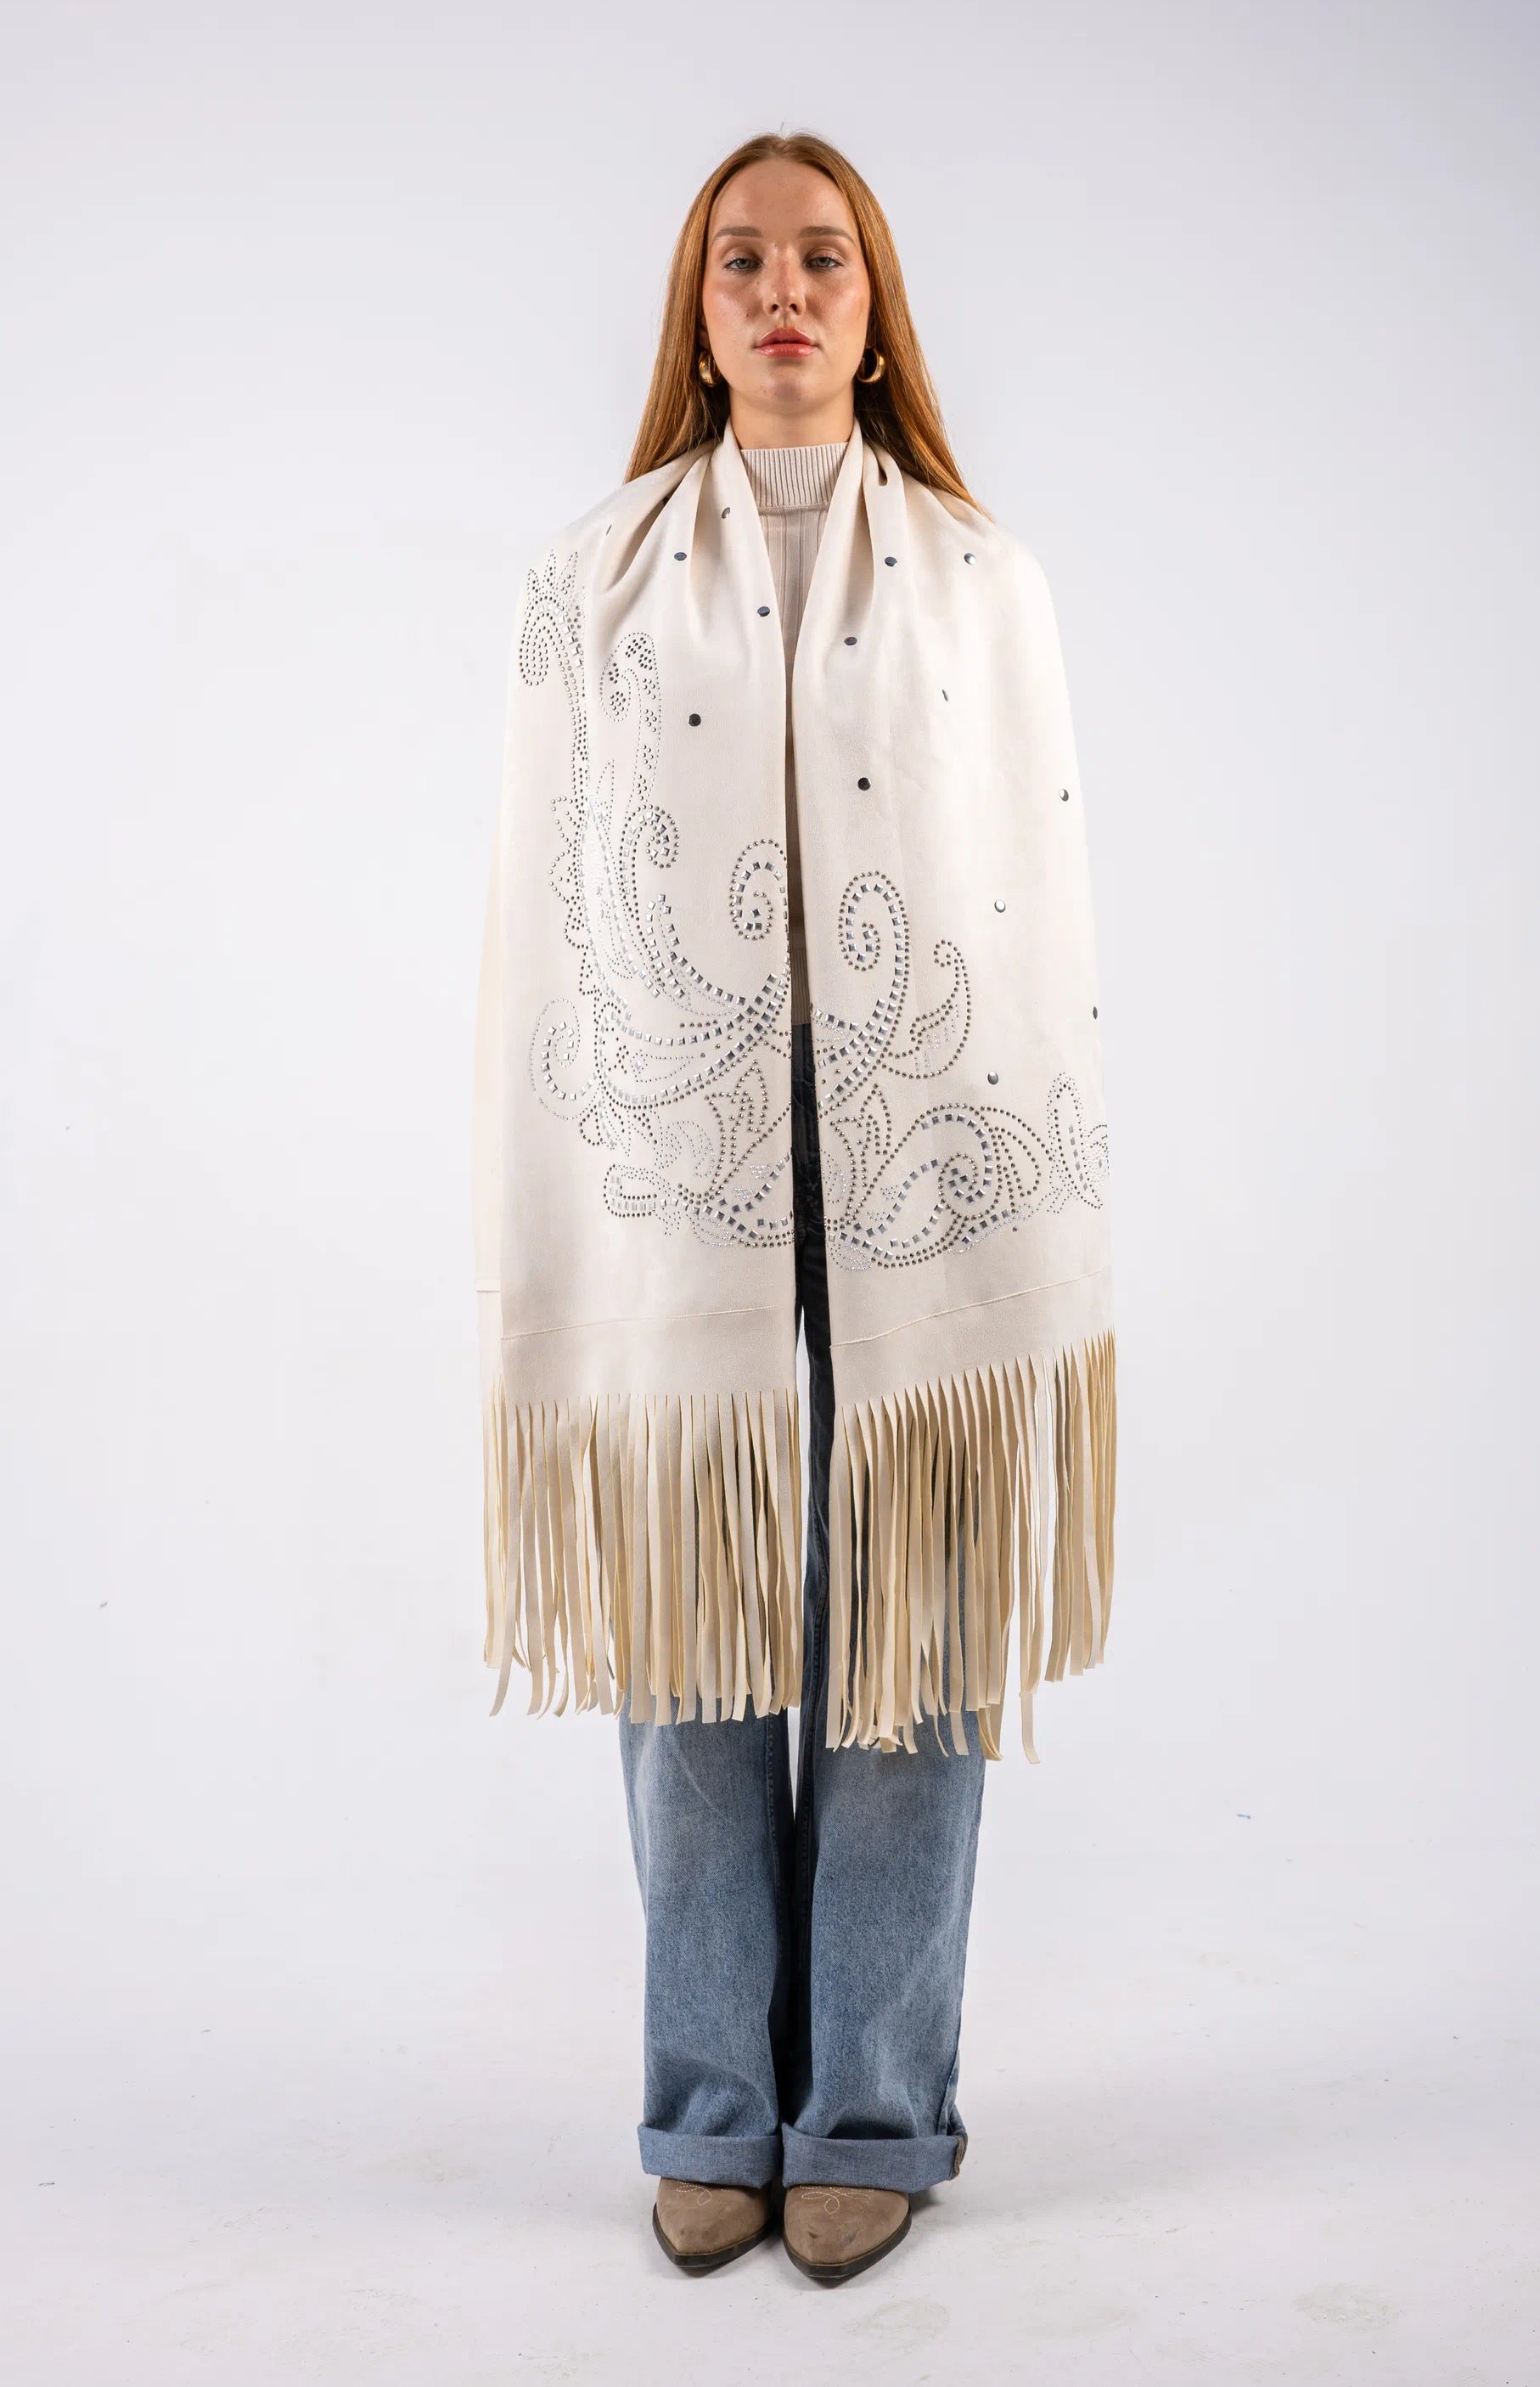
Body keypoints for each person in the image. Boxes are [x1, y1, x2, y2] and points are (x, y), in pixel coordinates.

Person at [472, 132, 1117, 2288]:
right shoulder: (586, 582)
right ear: (694, 306)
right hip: (681, 1163)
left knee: (905, 1615)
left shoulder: (979, 578)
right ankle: (709, 2111)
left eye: (821, 258)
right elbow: (544, 918)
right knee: (694, 1609)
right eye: (741, 258)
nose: (781, 291)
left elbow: (1029, 898)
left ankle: (870, 2111)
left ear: (874, 306)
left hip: (923, 1136)